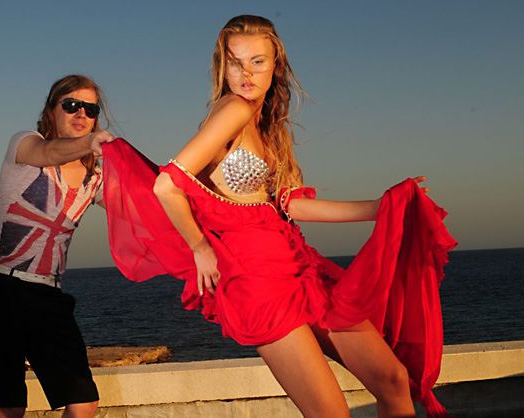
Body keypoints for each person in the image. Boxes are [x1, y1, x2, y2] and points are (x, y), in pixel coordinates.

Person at [100, 15, 456, 418]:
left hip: (298, 266)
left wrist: (382, 207)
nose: (246, 74)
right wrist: (200, 247)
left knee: (392, 379)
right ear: (222, 67)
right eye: (236, 63)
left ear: (276, 65)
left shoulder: (266, 125)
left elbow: (290, 205)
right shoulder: (233, 110)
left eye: (257, 62)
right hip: (257, 280)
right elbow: (167, 185)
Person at [0, 74, 115, 418]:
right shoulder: (25, 144)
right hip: (0, 287)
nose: (81, 114)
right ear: (51, 110)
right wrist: (90, 143)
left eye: (90, 109)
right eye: (71, 105)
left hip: (49, 294)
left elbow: (142, 205)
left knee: (84, 402)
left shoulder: (95, 178)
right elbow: (49, 152)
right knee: (9, 408)